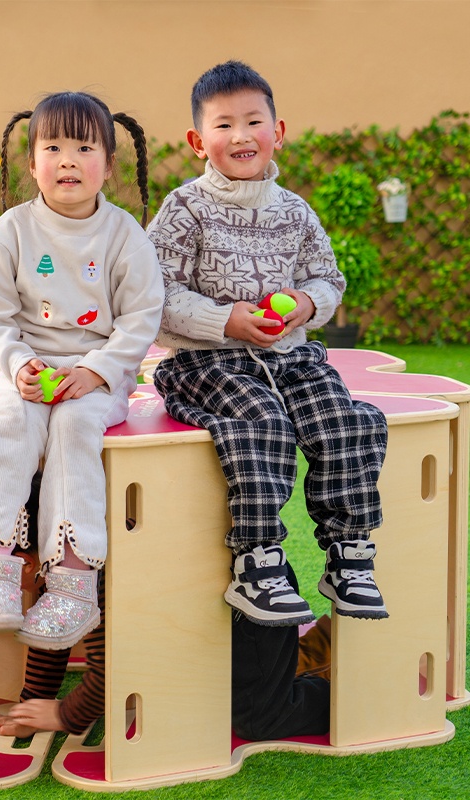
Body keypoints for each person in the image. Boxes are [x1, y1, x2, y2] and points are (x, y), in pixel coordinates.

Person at [147, 61, 389, 626]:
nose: (240, 136)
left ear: (277, 131)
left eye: (253, 121)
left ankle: (348, 554)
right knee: (260, 423)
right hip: (208, 363)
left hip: (289, 356)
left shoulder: (295, 212)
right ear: (196, 142)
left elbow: (327, 279)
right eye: (223, 125)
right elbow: (153, 295)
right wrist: (224, 320)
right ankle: (258, 561)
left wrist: (306, 305)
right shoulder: (184, 211)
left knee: (343, 419)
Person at [0, 90, 164, 651]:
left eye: (84, 146)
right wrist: (19, 364)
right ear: (31, 163)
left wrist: (98, 372)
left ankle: (74, 581)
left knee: (75, 427)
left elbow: (142, 318)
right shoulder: (9, 232)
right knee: (9, 419)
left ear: (109, 163)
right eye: (53, 147)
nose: (68, 159)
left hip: (99, 375)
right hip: (27, 366)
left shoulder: (125, 234)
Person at [0, 567, 331, 741]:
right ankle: (314, 648)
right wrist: (32, 702)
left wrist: (63, 714)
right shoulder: (58, 557)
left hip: (251, 605)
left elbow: (107, 677)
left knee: (256, 717)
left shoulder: (87, 570)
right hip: (208, 614)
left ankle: (354, 694)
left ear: (25, 565)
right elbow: (53, 621)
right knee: (211, 688)